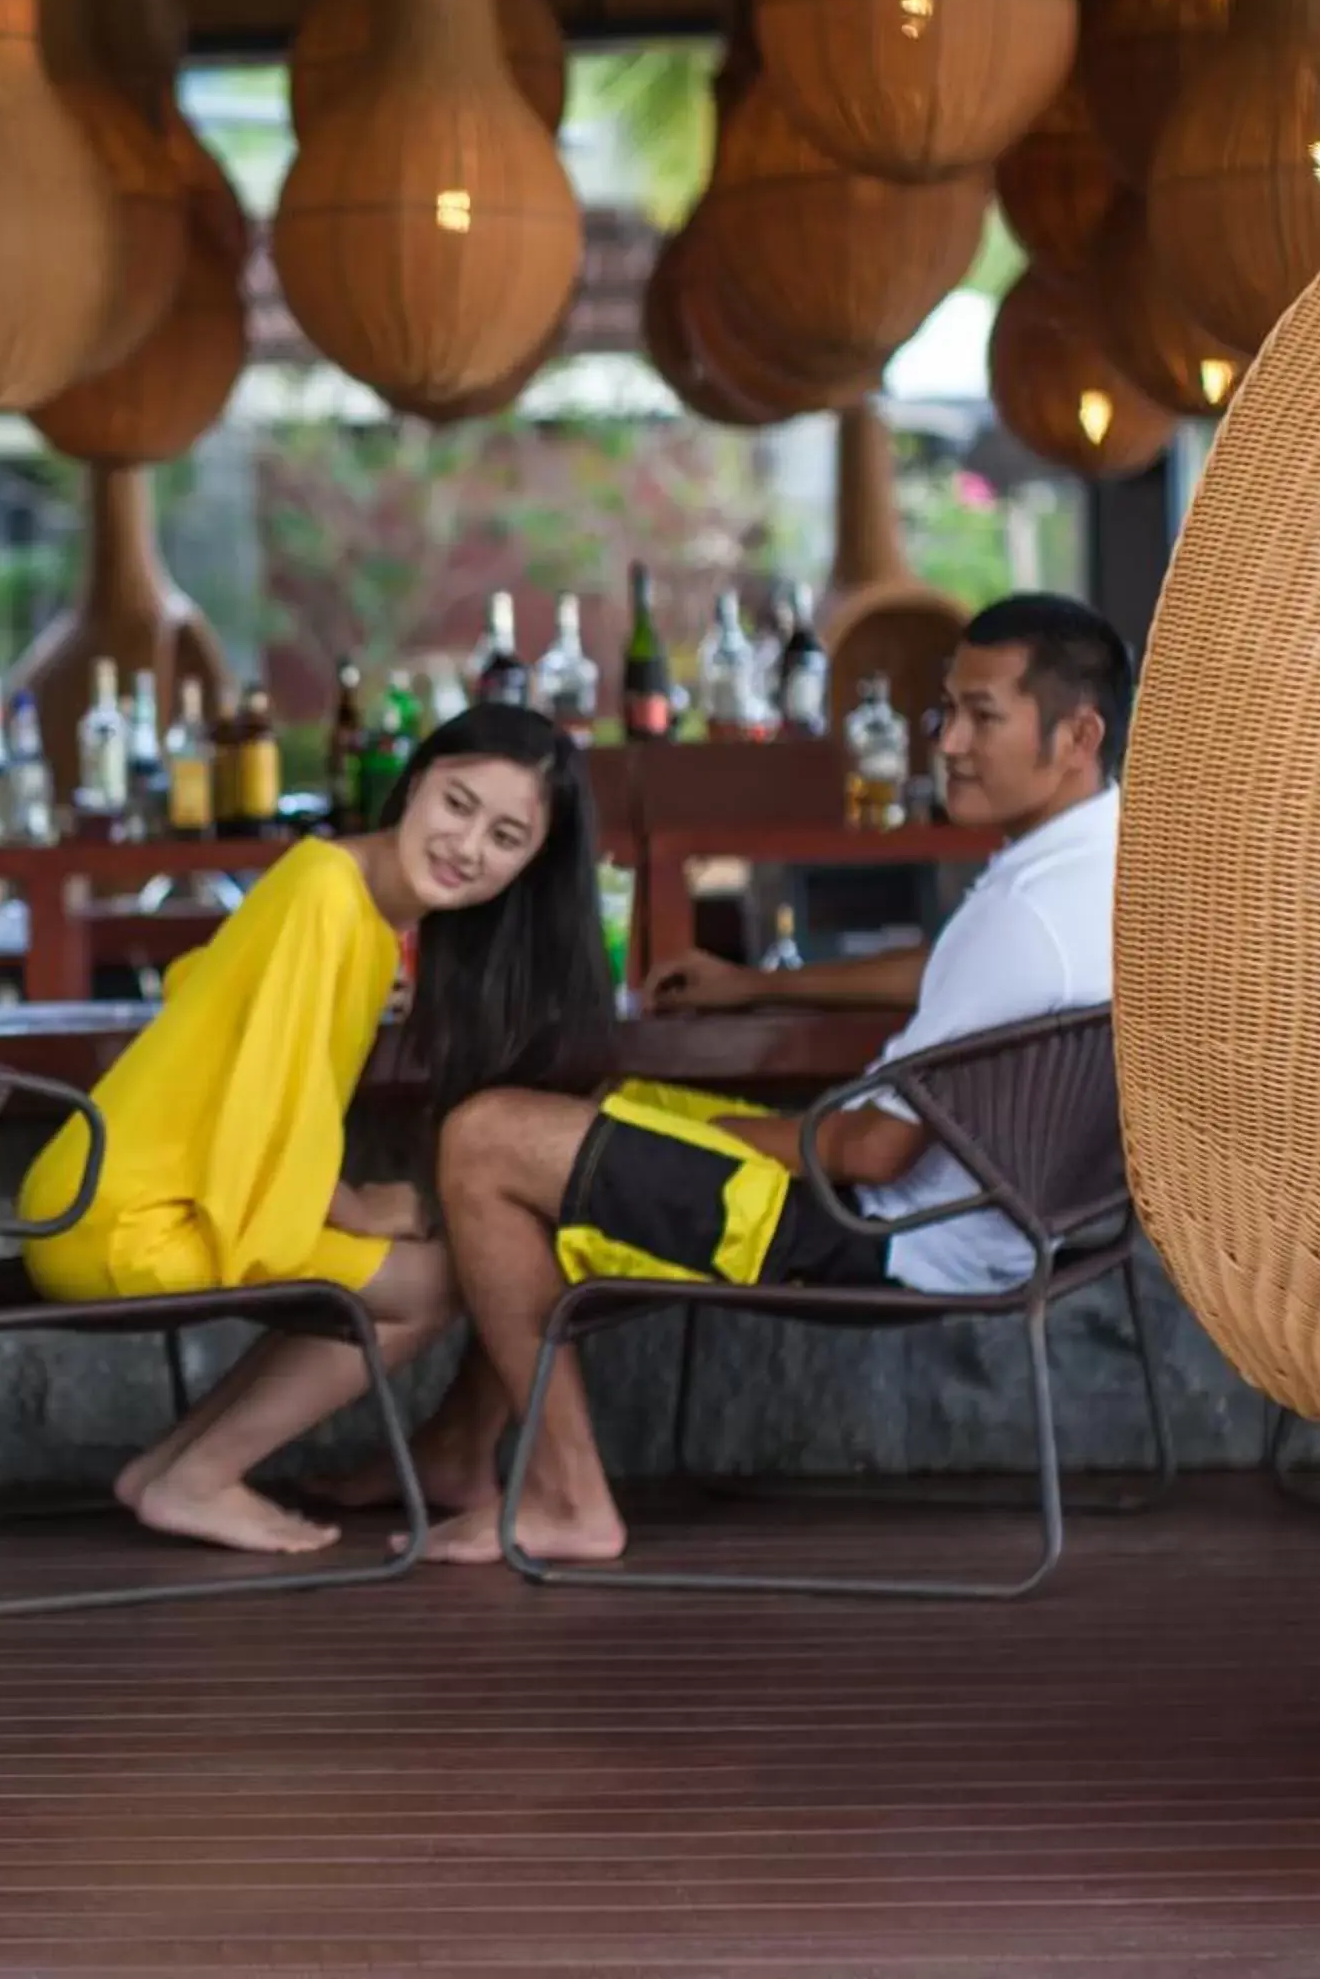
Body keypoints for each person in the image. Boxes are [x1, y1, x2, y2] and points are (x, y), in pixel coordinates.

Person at [413, 594, 1132, 1565]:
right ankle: (459, 1449)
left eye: (981, 715)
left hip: (885, 1233)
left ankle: (567, 1497)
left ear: (1076, 732)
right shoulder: (1101, 863)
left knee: (489, 1136)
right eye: (945, 712)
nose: (949, 741)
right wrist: (760, 984)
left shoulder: (1034, 912)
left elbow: (866, 1151)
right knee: (584, 1130)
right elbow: (953, 966)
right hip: (1003, 1219)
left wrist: (674, 1141)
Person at [19, 706, 614, 1556]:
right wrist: (356, 1207)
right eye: (457, 804)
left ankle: (171, 1469)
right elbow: (261, 1101)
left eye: (506, 835)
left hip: (98, 1192)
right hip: (123, 1219)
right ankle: (196, 1478)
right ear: (412, 784)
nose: (468, 845)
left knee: (423, 1276)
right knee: (435, 1283)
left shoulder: (355, 904)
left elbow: (209, 987)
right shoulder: (327, 893)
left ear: (529, 866)